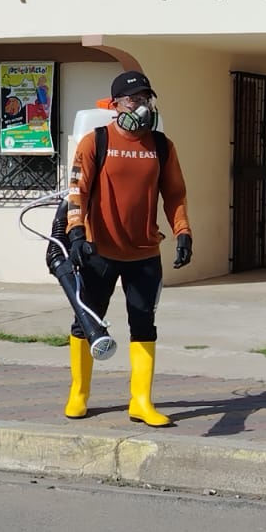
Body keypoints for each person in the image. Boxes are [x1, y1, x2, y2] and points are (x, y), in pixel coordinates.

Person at [63, 69, 193, 425]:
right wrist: (76, 232)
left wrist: (183, 231)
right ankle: (79, 394)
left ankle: (141, 401)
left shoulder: (162, 146)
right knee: (87, 322)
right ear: (116, 104)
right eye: (134, 99)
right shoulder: (96, 142)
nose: (141, 105)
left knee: (144, 325)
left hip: (144, 254)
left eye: (146, 98)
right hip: (99, 252)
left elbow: (175, 194)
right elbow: (77, 191)